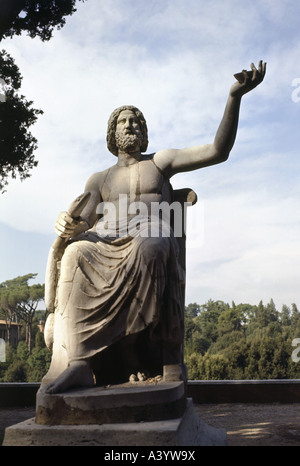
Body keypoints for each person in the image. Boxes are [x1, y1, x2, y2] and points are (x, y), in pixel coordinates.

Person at [44, 61, 266, 394]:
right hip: (104, 238)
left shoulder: (160, 162)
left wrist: (234, 97)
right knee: (76, 253)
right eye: (124, 120)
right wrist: (66, 224)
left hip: (148, 233)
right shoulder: (99, 179)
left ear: (144, 131)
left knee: (155, 245)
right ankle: (78, 363)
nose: (131, 124)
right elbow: (80, 224)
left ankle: (143, 356)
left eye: (137, 121)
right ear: (113, 133)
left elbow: (218, 151)